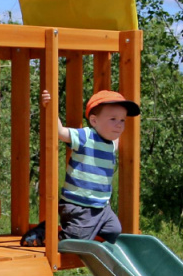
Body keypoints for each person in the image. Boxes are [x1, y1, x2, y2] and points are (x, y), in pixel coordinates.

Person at [21, 89, 140, 246]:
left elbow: (117, 135)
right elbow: (61, 132)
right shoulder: (86, 137)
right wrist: (49, 107)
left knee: (114, 230)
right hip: (79, 205)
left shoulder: (111, 144)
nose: (119, 125)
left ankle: (82, 234)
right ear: (94, 121)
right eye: (113, 119)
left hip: (101, 207)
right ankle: (44, 233)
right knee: (75, 241)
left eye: (122, 120)